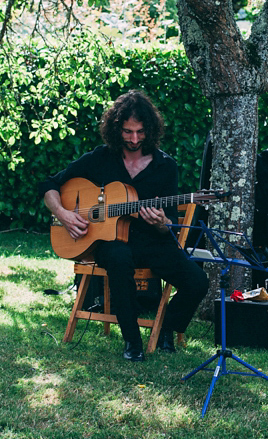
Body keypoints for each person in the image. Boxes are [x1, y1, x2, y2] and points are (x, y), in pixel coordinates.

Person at [40, 90, 209, 362]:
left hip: (153, 242)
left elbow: (169, 227)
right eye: (128, 132)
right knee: (118, 258)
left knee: (198, 281)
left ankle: (165, 329)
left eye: (140, 133)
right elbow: (49, 184)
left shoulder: (165, 166)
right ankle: (132, 341)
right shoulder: (101, 158)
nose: (133, 139)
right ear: (116, 128)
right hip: (111, 243)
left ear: (150, 130)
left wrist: (162, 223)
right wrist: (63, 214)